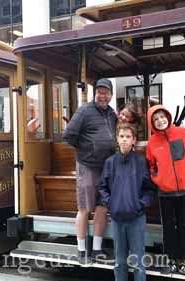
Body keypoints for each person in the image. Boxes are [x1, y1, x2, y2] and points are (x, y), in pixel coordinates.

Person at [145, 105, 185, 277]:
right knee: (168, 227)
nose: (160, 121)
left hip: (184, 190)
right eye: (155, 119)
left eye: (162, 116)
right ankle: (171, 261)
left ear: (168, 116)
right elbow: (151, 166)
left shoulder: (181, 132)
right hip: (165, 193)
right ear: (152, 123)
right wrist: (158, 180)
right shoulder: (152, 143)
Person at [63, 78, 117, 264]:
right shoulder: (84, 110)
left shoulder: (112, 114)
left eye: (106, 92)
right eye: (100, 92)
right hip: (87, 166)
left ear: (111, 94)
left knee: (102, 207)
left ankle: (96, 250)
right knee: (85, 208)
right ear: (95, 93)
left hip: (106, 167)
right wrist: (87, 148)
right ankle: (81, 251)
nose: (103, 95)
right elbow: (68, 135)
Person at [99, 123, 155, 281]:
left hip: (136, 218)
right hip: (117, 219)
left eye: (128, 137)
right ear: (117, 139)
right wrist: (111, 204)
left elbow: (150, 189)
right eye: (121, 136)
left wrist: (140, 205)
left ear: (134, 140)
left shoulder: (141, 162)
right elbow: (103, 187)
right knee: (119, 262)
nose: (124, 140)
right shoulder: (110, 162)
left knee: (138, 262)